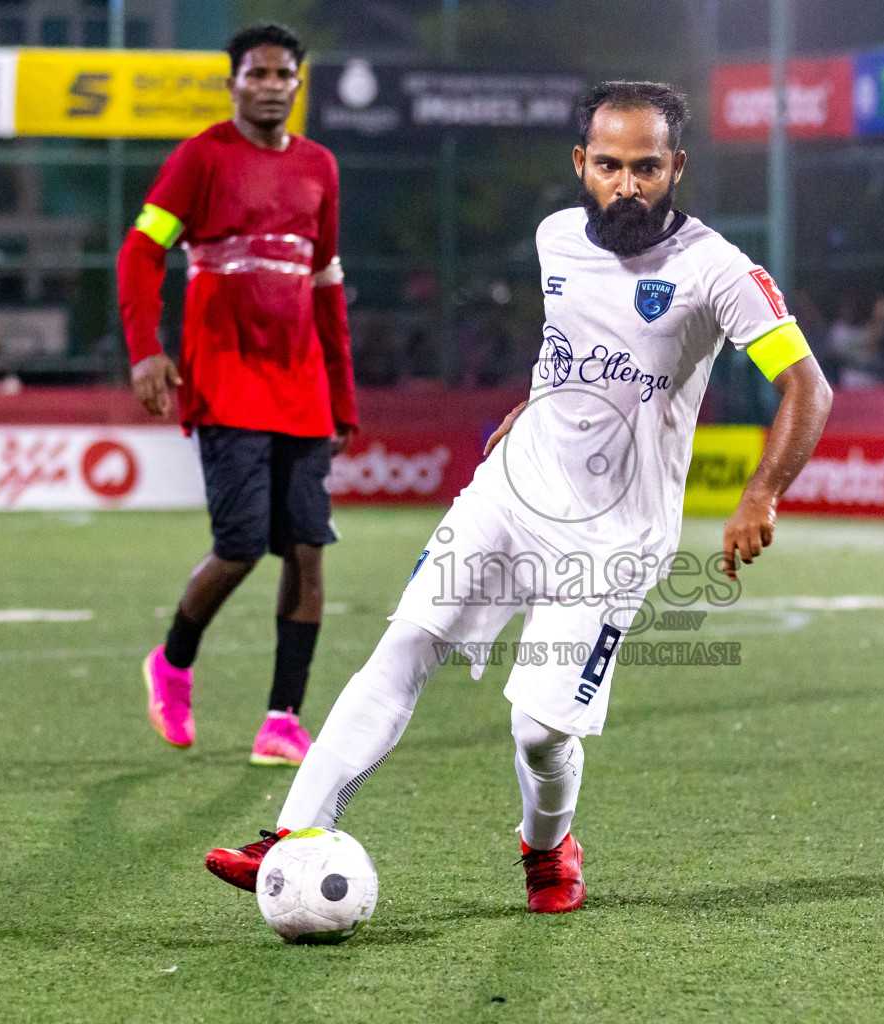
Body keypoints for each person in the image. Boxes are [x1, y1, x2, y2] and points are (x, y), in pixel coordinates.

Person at [203, 81, 833, 913]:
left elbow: (808, 389)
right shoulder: (555, 238)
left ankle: (547, 845)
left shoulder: (717, 270)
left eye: (647, 167)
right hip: (508, 492)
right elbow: (568, 352)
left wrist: (760, 495)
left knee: (539, 732)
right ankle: (292, 837)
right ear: (581, 163)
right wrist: (534, 409)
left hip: (614, 539)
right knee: (404, 647)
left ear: (677, 167)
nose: (627, 185)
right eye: (608, 165)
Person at [116, 24, 358, 766]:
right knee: (242, 547)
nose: (270, 83)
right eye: (256, 72)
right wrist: (146, 350)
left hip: (303, 387)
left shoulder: (320, 166)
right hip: (224, 381)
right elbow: (141, 250)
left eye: (283, 73)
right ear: (234, 83)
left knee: (307, 555)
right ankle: (174, 661)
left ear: (297, 84)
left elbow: (325, 285)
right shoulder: (201, 158)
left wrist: (342, 398)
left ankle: (282, 719)